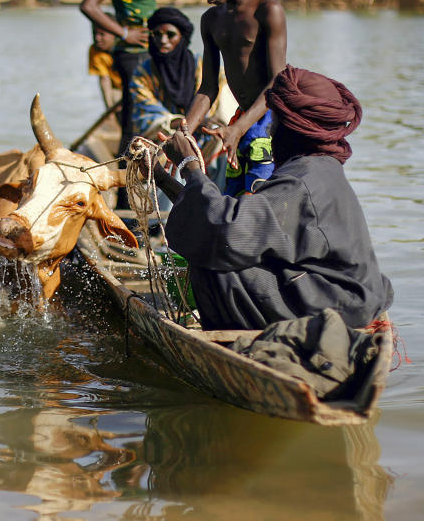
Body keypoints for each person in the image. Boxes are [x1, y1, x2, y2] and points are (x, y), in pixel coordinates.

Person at [152, 66, 393, 331]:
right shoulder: (320, 168)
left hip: (337, 309)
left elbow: (222, 231)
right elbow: (223, 219)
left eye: (274, 123)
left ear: (292, 129)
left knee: (216, 262)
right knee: (226, 243)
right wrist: (162, 179)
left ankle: (243, 348)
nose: (270, 133)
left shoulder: (301, 181)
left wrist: (189, 164)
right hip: (346, 298)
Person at [183, 0, 288, 197]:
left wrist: (238, 129)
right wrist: (184, 132)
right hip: (239, 121)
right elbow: (208, 88)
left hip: (268, 123)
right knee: (232, 198)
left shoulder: (267, 12)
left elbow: (277, 84)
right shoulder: (210, 21)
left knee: (254, 206)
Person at [79, 0, 156, 154]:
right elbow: (89, 5)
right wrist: (124, 33)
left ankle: (149, 180)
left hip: (150, 51)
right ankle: (125, 188)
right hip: (132, 54)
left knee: (147, 118)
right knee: (133, 125)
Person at [130, 7, 227, 199]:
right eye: (156, 34)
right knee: (168, 152)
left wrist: (206, 125)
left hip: (204, 138)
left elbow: (221, 107)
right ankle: (165, 221)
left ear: (182, 37)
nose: (162, 40)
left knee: (222, 144)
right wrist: (184, 127)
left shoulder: (204, 67)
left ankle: (219, 202)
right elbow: (147, 116)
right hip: (163, 138)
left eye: (170, 35)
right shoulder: (143, 73)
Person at [88, 16, 122, 109]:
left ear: (114, 34)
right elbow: (104, 79)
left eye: (102, 34)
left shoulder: (126, 48)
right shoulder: (95, 50)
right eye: (95, 33)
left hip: (136, 89)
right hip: (118, 90)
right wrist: (109, 109)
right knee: (114, 97)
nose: (97, 38)